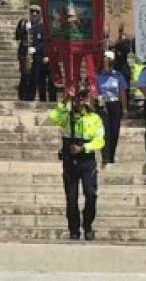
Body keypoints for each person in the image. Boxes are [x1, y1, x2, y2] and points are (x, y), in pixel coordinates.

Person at [49, 87, 105, 241]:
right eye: (77, 98)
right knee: (71, 198)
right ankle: (74, 229)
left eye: (83, 97)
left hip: (86, 160)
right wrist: (64, 100)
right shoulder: (66, 116)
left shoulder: (94, 118)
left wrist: (83, 148)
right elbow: (53, 118)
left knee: (90, 194)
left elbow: (100, 140)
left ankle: (87, 225)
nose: (80, 101)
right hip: (70, 161)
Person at [96, 51, 127, 165]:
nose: (107, 66)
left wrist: (124, 108)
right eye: (105, 63)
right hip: (103, 104)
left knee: (114, 131)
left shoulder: (118, 76)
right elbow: (95, 92)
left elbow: (122, 92)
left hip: (115, 104)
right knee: (104, 132)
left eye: (109, 63)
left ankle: (111, 155)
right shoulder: (98, 77)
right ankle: (105, 156)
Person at [16, 5, 51, 102]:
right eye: (32, 12)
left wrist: (35, 49)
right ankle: (22, 96)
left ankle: (30, 97)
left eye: (37, 12)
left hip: (36, 55)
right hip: (24, 54)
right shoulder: (23, 23)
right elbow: (17, 36)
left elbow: (44, 41)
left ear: (40, 14)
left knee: (34, 77)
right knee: (25, 75)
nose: (34, 14)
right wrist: (24, 29)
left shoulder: (42, 27)